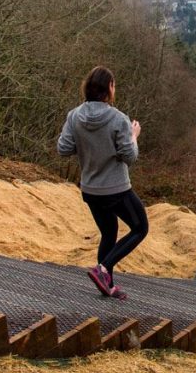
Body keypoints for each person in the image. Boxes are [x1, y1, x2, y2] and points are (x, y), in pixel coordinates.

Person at [58, 66, 146, 300]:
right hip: (116, 189)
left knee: (109, 233)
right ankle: (103, 269)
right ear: (109, 88)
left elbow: (63, 148)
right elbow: (130, 157)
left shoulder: (74, 116)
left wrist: (87, 144)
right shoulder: (119, 119)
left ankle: (107, 285)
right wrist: (133, 136)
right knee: (140, 227)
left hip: (90, 189)